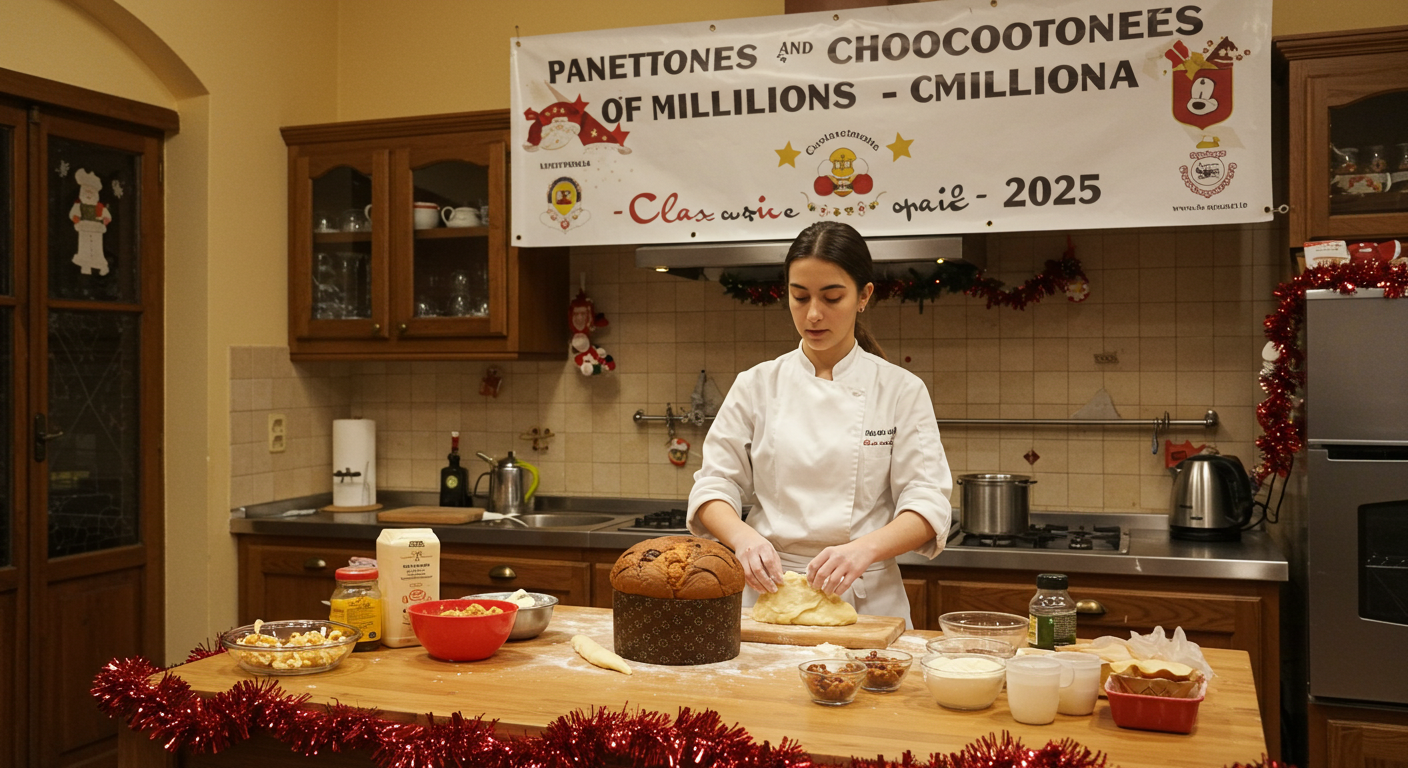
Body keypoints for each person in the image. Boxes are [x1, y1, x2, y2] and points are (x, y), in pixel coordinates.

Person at [687, 221, 953, 627]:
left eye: (832, 297)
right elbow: (713, 486)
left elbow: (927, 503)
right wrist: (744, 539)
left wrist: (863, 549)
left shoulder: (900, 389)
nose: (813, 314)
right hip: (770, 595)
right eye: (800, 297)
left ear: (864, 296)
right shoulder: (757, 384)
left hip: (866, 599)